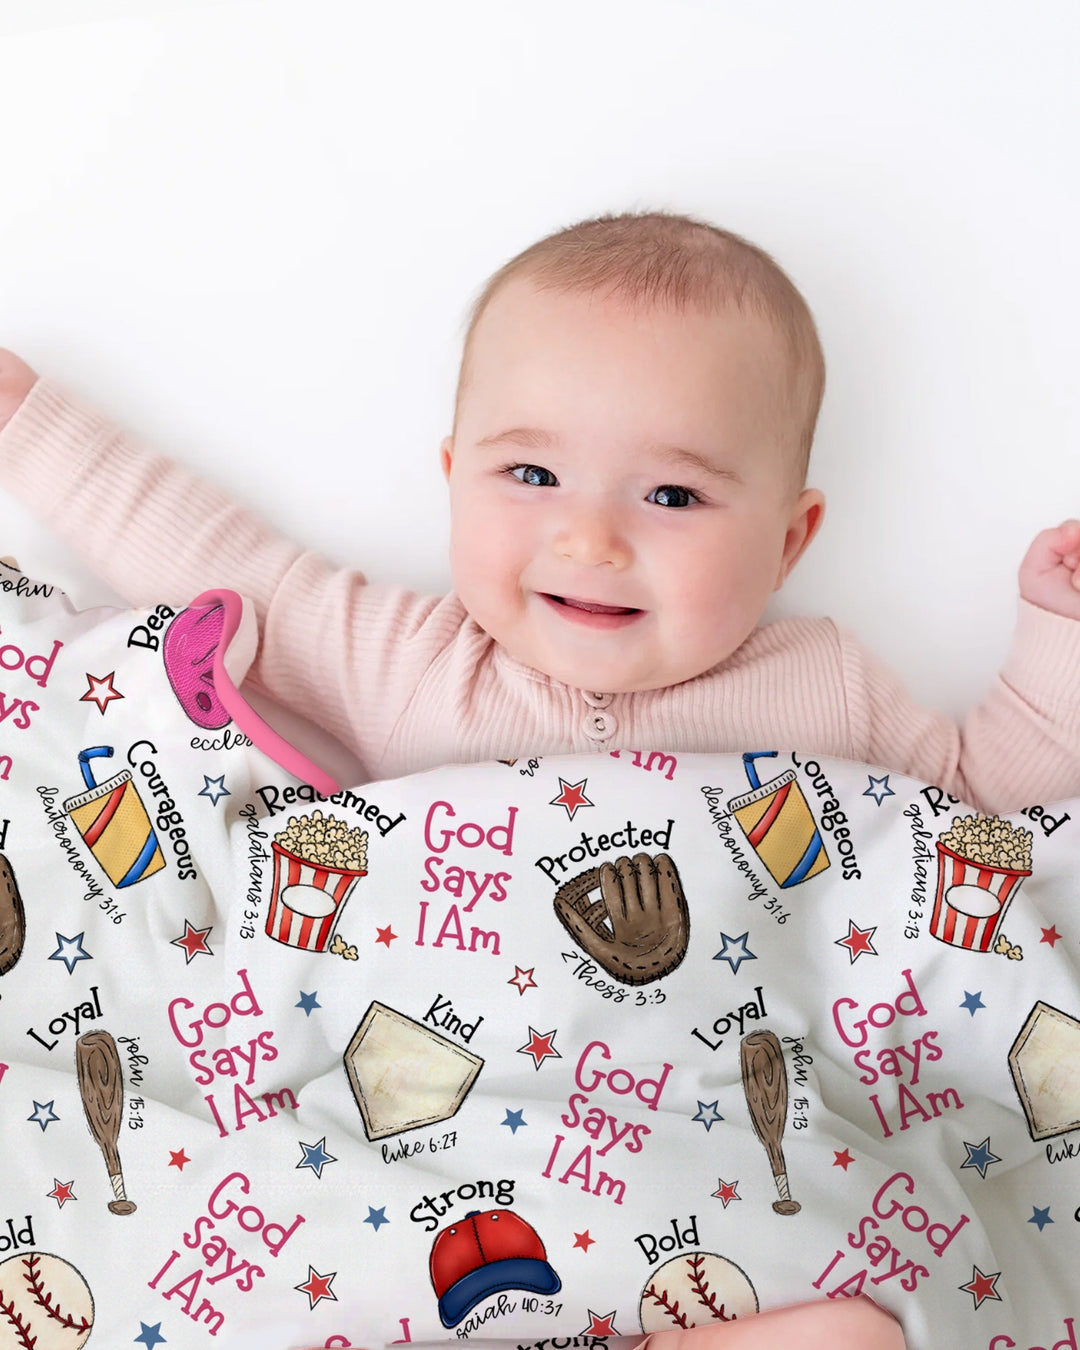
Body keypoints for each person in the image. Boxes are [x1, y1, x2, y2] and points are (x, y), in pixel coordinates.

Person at [1, 210, 1078, 1350]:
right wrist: (26, 423)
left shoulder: (827, 694)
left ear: (787, 540)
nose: (591, 537)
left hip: (722, 1165)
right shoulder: (414, 665)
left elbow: (980, 820)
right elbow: (220, 557)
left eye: (672, 497)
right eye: (533, 474)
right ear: (453, 479)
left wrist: (1057, 639)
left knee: (860, 1328)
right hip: (441, 1159)